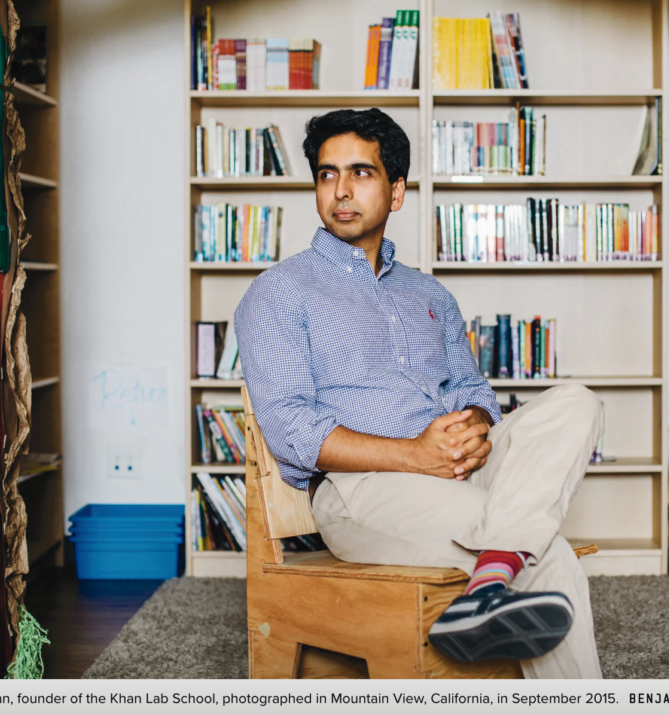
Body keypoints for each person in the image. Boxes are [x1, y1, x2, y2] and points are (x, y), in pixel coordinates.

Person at [234, 108, 603, 678]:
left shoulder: (428, 294)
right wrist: (415, 455)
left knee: (577, 401)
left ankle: (487, 581)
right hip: (363, 490)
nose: (341, 190)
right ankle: (501, 570)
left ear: (397, 190)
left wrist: (474, 426)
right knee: (546, 551)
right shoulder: (279, 293)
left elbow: (472, 387)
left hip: (459, 470)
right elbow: (290, 430)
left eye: (361, 172)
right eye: (327, 175)